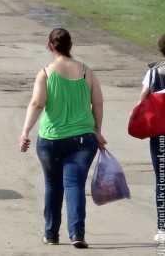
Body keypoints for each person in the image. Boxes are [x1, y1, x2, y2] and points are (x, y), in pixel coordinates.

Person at [19, 28, 107, 249]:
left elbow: (37, 104)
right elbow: (97, 103)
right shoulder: (87, 72)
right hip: (83, 139)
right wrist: (97, 130)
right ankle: (77, 233)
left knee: (53, 184)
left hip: (51, 139)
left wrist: (25, 131)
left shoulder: (45, 73)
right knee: (75, 184)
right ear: (70, 45)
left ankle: (51, 234)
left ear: (50, 45)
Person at [139, 34, 165, 243]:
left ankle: (163, 228)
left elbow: (142, 100)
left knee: (162, 179)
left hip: (160, 133)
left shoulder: (154, 72)